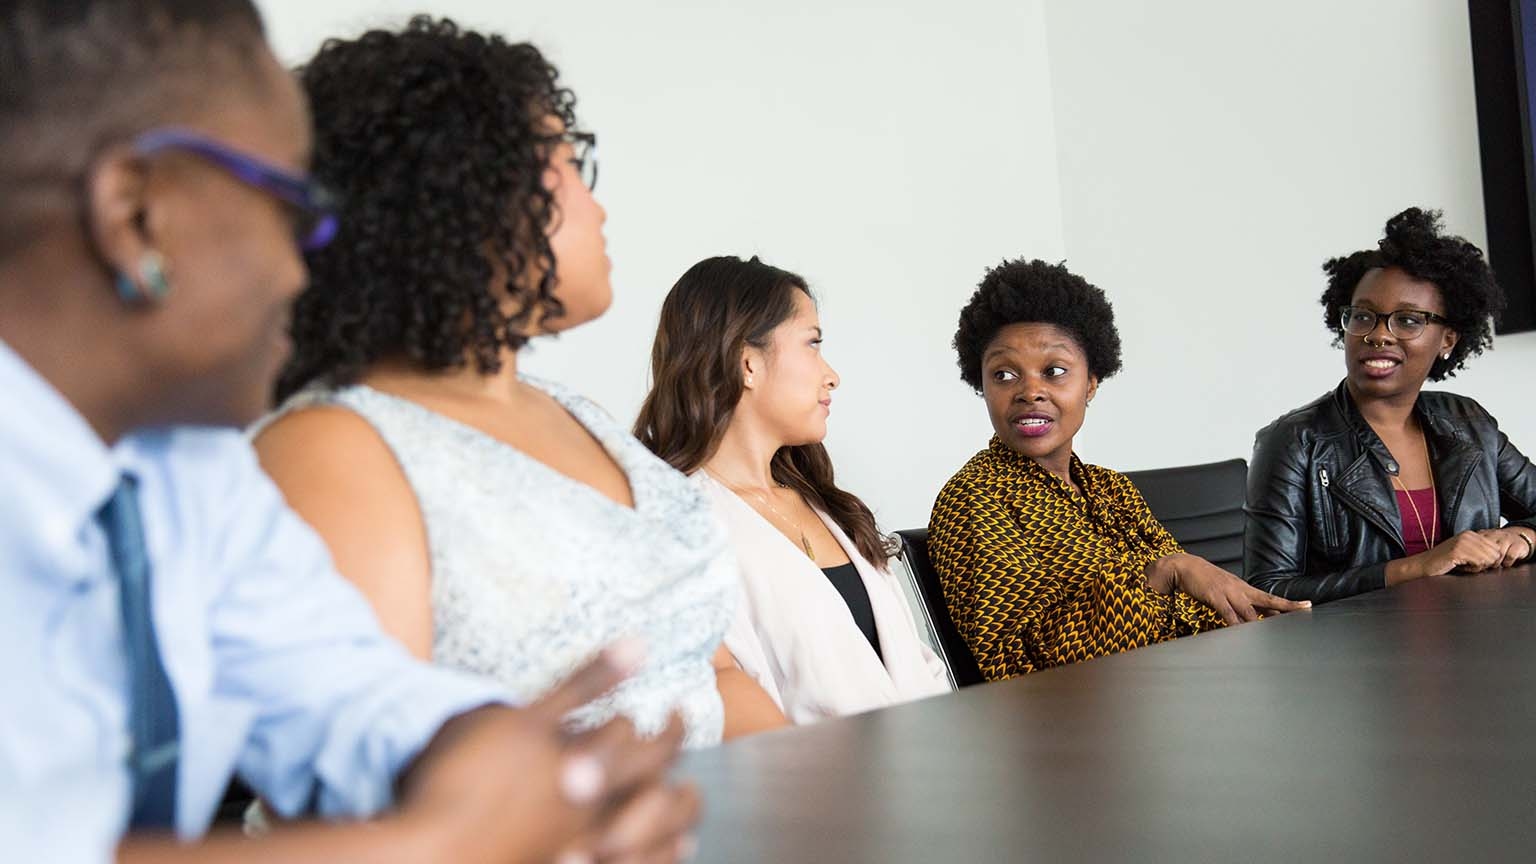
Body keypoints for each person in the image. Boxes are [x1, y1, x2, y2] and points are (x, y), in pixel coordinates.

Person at [0, 2, 697, 860]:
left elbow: (352, 696)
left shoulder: (191, 468)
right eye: (292, 206)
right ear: (136, 215)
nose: (308, 263)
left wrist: (510, 767)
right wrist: (443, 844)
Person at [252, 17, 784, 745]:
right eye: (569, 162)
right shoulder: (332, 448)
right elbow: (374, 795)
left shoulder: (578, 415)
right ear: (462, 188)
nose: (596, 206)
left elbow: (709, 675)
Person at [927, 259, 1308, 681]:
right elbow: (1017, 664)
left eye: (1054, 372)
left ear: (1091, 383)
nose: (1030, 391)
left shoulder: (1111, 488)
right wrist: (1161, 573)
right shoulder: (974, 499)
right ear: (983, 387)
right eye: (1004, 374)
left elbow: (1189, 604)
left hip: (1176, 688)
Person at [634, 256, 951, 723]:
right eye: (813, 343)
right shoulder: (678, 526)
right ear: (747, 363)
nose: (831, 375)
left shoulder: (827, 505)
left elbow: (917, 666)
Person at [1245, 207, 1536, 602]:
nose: (1379, 335)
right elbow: (1267, 591)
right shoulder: (1295, 442)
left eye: (1408, 320)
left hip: (1474, 641)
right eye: (1364, 317)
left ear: (1448, 339)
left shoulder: (1469, 423)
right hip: (1360, 656)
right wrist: (1416, 568)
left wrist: (1522, 535)